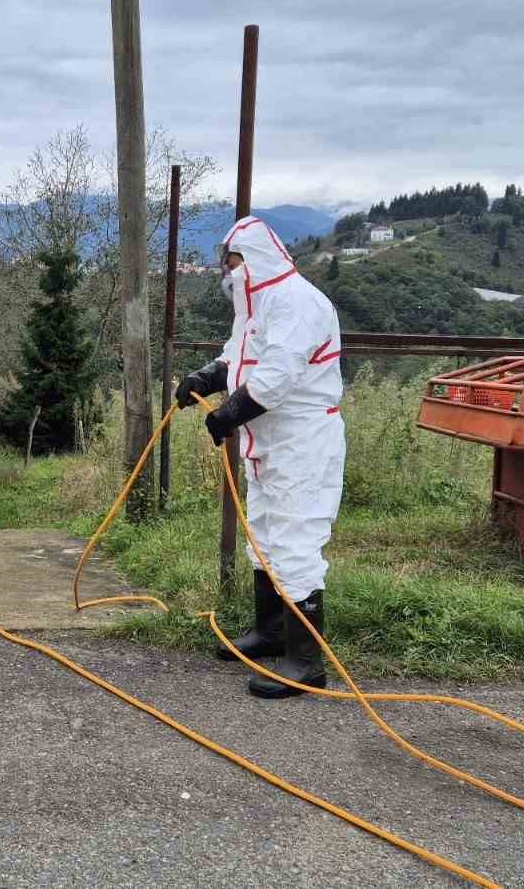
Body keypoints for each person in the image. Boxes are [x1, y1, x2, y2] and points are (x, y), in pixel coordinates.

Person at [175, 216, 345, 699]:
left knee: (295, 540)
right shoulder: (257, 304)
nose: (227, 272)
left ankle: (306, 663)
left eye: (231, 263)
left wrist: (226, 415)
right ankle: (270, 634)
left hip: (302, 440)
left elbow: (273, 379)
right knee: (265, 533)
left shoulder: (298, 303)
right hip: (269, 441)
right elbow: (240, 354)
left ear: (252, 261)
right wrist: (205, 378)